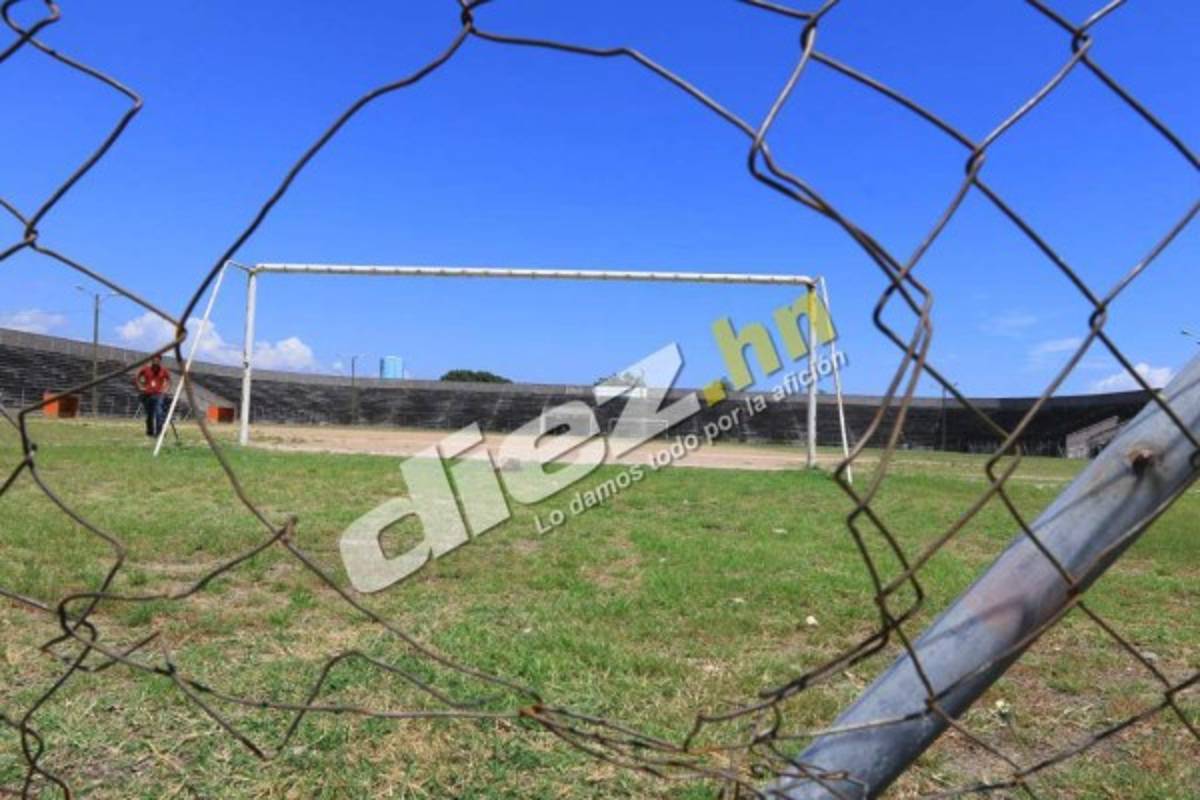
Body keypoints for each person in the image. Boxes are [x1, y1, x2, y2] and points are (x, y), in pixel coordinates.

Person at [134, 355, 171, 438]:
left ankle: (159, 432)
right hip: (147, 394)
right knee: (149, 414)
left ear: (160, 361)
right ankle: (150, 432)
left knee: (159, 413)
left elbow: (169, 380)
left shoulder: (163, 370)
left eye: (158, 361)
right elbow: (137, 376)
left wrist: (166, 389)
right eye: (154, 360)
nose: (156, 362)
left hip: (159, 395)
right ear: (152, 361)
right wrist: (140, 387)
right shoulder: (145, 369)